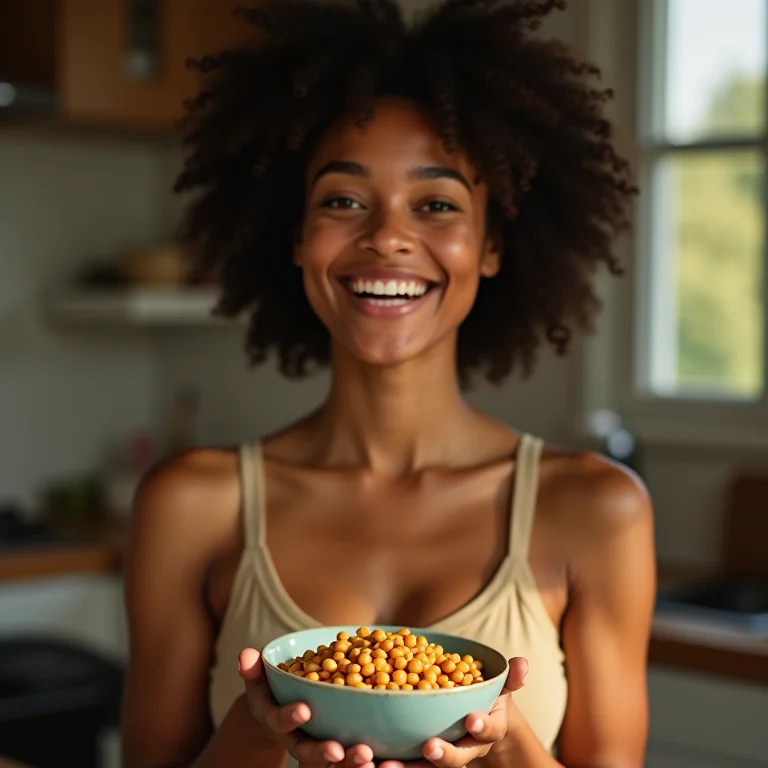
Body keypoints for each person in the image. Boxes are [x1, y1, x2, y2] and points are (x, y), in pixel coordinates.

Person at [120, 1, 655, 767]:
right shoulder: (192, 503)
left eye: (436, 205)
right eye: (343, 200)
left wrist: (504, 739)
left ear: (491, 246)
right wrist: (259, 725)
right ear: (298, 238)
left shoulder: (599, 511)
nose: (387, 237)